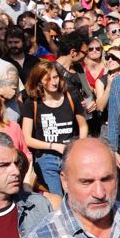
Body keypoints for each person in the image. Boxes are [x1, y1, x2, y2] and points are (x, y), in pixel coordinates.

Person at [21, 60, 88, 195]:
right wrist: (54, 146)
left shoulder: (71, 97)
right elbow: (27, 138)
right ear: (39, 81)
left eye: (55, 77)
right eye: (47, 79)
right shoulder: (32, 103)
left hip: (70, 155)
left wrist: (79, 146)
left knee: (76, 196)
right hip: (46, 158)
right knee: (56, 199)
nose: (53, 82)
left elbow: (83, 126)